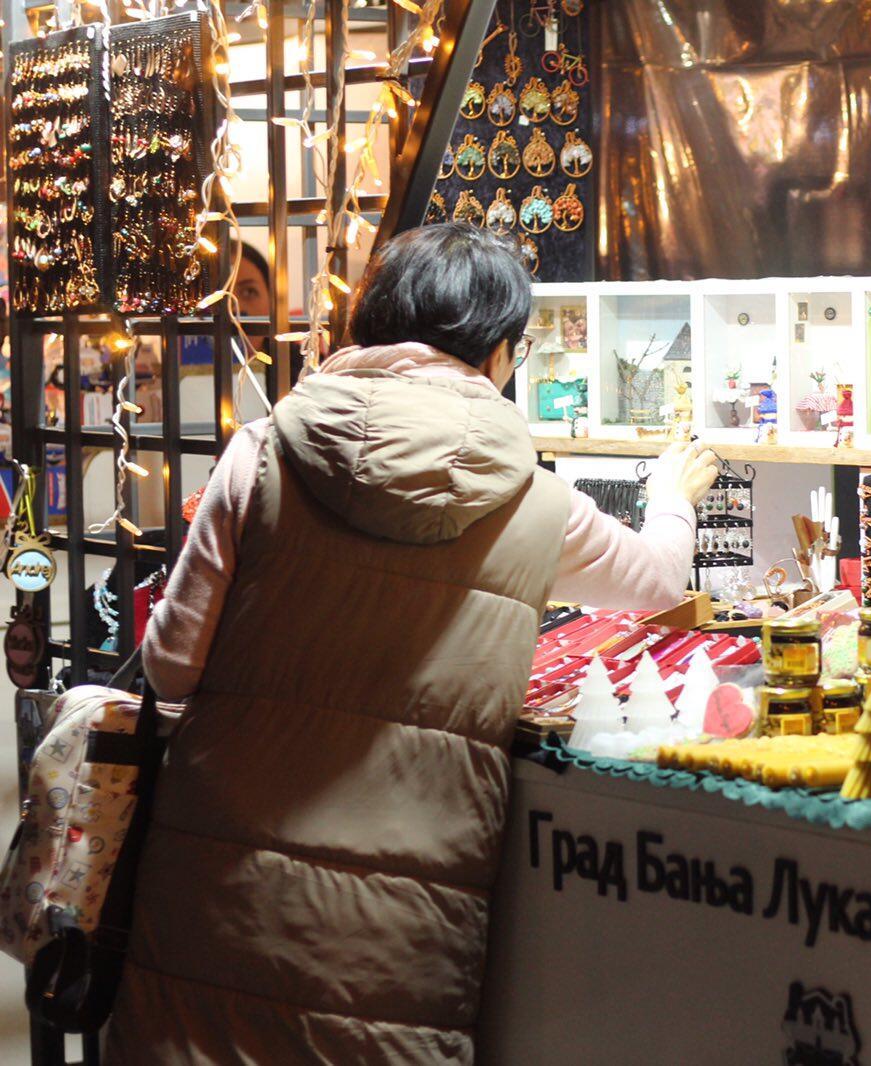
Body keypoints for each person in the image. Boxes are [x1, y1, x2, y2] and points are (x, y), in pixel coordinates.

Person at [105, 223, 720, 1063]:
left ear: (371, 320)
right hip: (403, 908)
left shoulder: (262, 452)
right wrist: (673, 496)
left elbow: (173, 663)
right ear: (500, 353)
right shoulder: (535, 502)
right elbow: (655, 583)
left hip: (220, 878)